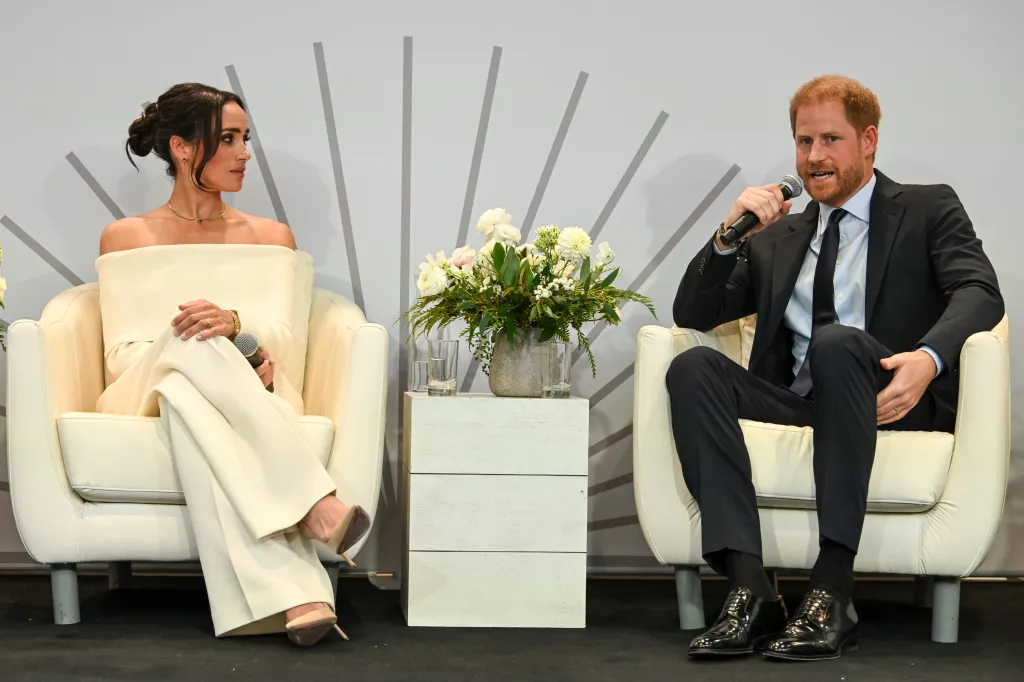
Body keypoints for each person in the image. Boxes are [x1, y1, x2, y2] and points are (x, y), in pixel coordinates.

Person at [666, 74, 1003, 661]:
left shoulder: (926, 207)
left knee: (839, 343)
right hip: (802, 399)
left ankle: (832, 590)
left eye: (830, 140)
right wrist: (727, 236)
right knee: (694, 367)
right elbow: (694, 310)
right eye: (803, 142)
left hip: (885, 396)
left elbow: (979, 292)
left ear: (868, 140)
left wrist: (926, 361)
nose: (814, 157)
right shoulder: (777, 237)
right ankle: (750, 588)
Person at [95, 82, 371, 647]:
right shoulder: (123, 238)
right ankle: (316, 506)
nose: (245, 152)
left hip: (243, 392)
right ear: (181, 148)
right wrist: (206, 337)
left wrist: (239, 338)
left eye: (246, 138)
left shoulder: (272, 238)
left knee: (188, 396)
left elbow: (286, 340)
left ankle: (298, 599)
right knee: (191, 337)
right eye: (228, 139)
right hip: (138, 391)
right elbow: (121, 357)